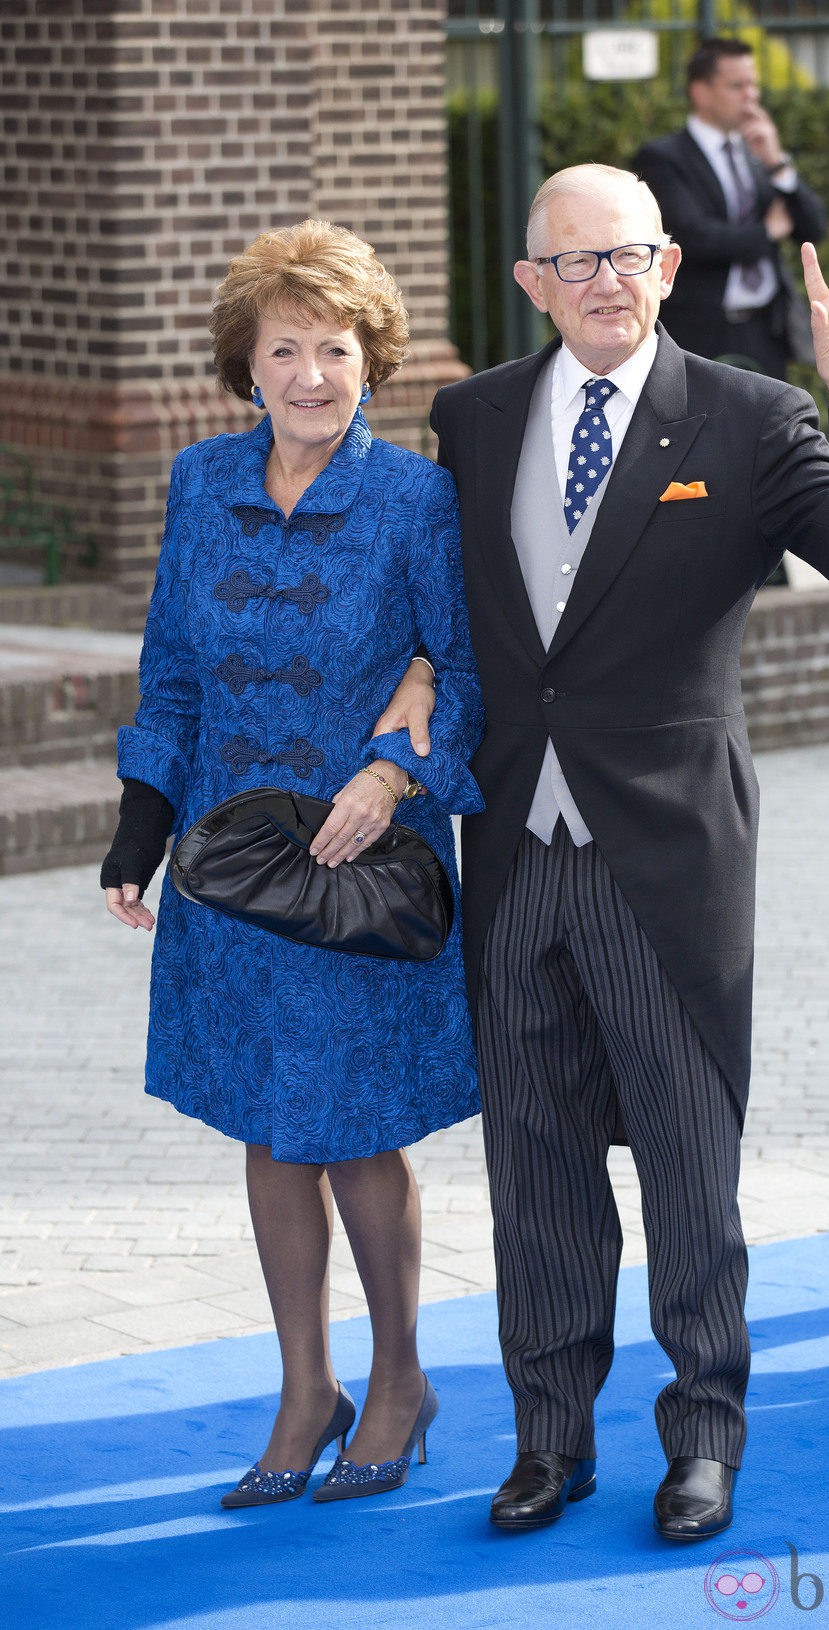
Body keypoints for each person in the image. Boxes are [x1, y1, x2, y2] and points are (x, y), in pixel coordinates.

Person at [410, 162, 829, 1540]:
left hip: (667, 856)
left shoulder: (754, 420)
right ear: (530, 283)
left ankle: (703, 1436)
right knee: (534, 1166)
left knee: (692, 1167)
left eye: (624, 256)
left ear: (668, 269)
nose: (599, 281)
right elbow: (439, 611)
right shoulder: (469, 420)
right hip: (514, 849)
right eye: (568, 262)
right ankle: (547, 1437)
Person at [100, 219, 484, 1510]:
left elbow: (466, 674)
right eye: (285, 350)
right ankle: (304, 1385)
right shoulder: (198, 482)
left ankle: (400, 1377)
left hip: (359, 859)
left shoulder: (416, 497)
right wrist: (138, 833)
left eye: (337, 349)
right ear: (245, 366)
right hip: (235, 862)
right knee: (272, 1121)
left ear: (373, 361)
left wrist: (391, 777)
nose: (313, 375)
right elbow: (170, 666)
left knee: (355, 1123)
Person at [633, 37, 827, 378]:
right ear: (701, 92)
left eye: (753, 85)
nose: (751, 96)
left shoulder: (757, 156)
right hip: (701, 334)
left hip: (767, 331)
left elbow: (813, 228)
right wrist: (767, 231)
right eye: (737, 86)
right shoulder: (664, 159)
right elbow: (692, 238)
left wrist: (777, 163)